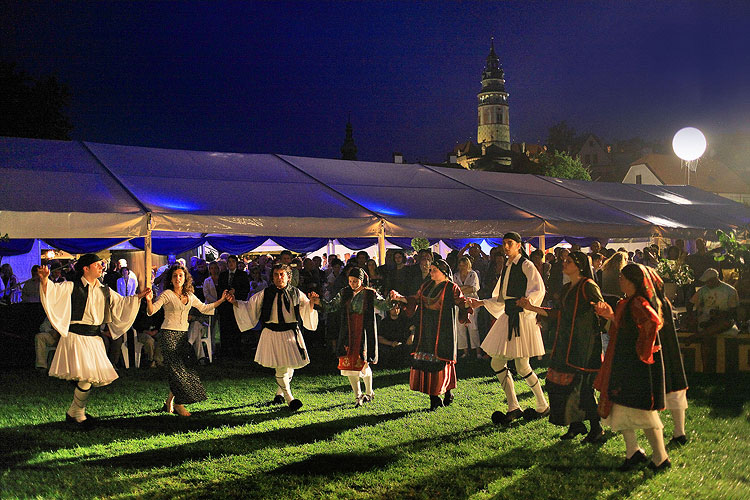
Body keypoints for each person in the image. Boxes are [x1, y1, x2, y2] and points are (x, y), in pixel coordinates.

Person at [38, 253, 148, 429]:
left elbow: (121, 303)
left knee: (89, 377)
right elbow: (53, 292)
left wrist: (138, 297)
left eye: (101, 265)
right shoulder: (72, 286)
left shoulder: (104, 289)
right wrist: (45, 280)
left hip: (94, 339)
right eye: (97, 265)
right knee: (87, 376)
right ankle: (77, 413)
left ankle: (75, 412)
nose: (101, 267)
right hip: (77, 337)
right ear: (86, 268)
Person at [517, 251, 605, 442]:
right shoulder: (567, 288)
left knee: (582, 387)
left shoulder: (588, 286)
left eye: (569, 262)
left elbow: (601, 310)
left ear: (580, 266)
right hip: (565, 343)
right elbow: (558, 313)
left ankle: (596, 428)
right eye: (564, 261)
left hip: (583, 345)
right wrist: (531, 308)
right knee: (560, 384)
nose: (564, 264)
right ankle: (575, 424)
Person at [593, 263, 672, 472]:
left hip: (634, 366)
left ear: (632, 281)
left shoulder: (637, 302)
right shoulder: (626, 303)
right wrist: (610, 315)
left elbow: (652, 322)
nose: (619, 280)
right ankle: (632, 452)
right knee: (621, 407)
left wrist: (642, 350)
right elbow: (623, 326)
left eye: (622, 277)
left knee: (641, 411)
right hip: (624, 362)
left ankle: (661, 457)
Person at [470, 232, 549, 426]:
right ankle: (514, 406)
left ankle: (542, 404)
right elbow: (501, 298)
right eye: (504, 243)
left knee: (522, 366)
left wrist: (528, 302)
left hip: (521, 318)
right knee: (497, 364)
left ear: (518, 245)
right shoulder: (507, 267)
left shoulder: (526, 265)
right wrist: (480, 303)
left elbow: (539, 289)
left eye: (509, 243)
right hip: (510, 316)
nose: (506, 247)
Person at [229, 263, 318, 410]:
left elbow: (306, 308)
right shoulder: (265, 293)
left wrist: (312, 303)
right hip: (272, 333)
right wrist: (235, 302)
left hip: (291, 333)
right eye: (276, 275)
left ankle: (279, 395)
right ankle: (290, 399)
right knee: (281, 367)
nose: (279, 278)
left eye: (282, 274)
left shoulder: (296, 293)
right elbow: (250, 306)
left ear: (288, 277)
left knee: (290, 365)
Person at [147, 264, 229, 416]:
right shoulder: (166, 294)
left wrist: (222, 300)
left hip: (182, 335)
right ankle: (179, 404)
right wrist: (148, 300)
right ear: (171, 279)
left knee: (183, 369)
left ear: (185, 278)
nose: (178, 278)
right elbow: (151, 311)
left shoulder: (190, 295)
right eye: (175, 276)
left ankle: (169, 402)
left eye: (180, 275)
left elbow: (205, 308)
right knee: (178, 370)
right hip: (169, 334)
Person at [391, 259, 471, 411]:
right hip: (426, 328)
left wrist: (468, 305)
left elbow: (461, 302)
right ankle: (434, 398)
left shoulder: (451, 288)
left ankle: (447, 391)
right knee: (427, 361)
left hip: (443, 329)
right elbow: (416, 299)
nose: (431, 272)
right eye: (431, 269)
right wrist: (400, 298)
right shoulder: (426, 285)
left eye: (434, 270)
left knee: (441, 359)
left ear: (443, 273)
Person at [310, 267, 394, 407]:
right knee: (348, 366)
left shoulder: (369, 293)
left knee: (363, 364)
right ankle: (357, 396)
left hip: (363, 331)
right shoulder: (344, 292)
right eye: (350, 281)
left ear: (361, 280)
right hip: (348, 332)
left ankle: (369, 391)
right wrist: (319, 302)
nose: (353, 284)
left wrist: (391, 298)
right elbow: (332, 306)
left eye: (355, 281)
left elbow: (383, 305)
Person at [686, 268, 739, 371]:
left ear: (715, 279)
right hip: (706, 319)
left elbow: (734, 311)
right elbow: (690, 303)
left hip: (723, 319)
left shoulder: (730, 291)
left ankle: (695, 337)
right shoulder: (703, 290)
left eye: (709, 281)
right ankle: (707, 368)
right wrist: (691, 315)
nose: (707, 283)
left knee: (722, 324)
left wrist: (720, 314)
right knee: (707, 334)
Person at [216, 255, 251, 357]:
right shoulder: (223, 275)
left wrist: (235, 292)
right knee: (225, 328)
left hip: (237, 304)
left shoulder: (242, 274)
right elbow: (219, 289)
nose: (231, 263)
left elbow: (246, 289)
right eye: (229, 262)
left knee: (236, 328)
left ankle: (237, 350)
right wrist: (225, 294)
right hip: (225, 306)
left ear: (236, 263)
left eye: (233, 262)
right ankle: (225, 350)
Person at [454, 256, 481, 359]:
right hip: (459, 304)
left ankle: (477, 351)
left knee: (473, 327)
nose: (462, 267)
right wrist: (465, 288)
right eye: (460, 265)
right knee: (460, 327)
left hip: (471, 303)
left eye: (464, 265)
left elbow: (474, 288)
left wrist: (462, 289)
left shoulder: (473, 274)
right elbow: (455, 290)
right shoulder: (456, 276)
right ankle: (465, 351)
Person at [377, 302, 415, 368]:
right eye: (393, 309)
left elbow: (412, 328)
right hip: (389, 345)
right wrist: (391, 343)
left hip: (403, 344)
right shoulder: (384, 322)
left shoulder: (404, 320)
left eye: (397, 308)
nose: (395, 310)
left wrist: (412, 336)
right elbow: (379, 338)